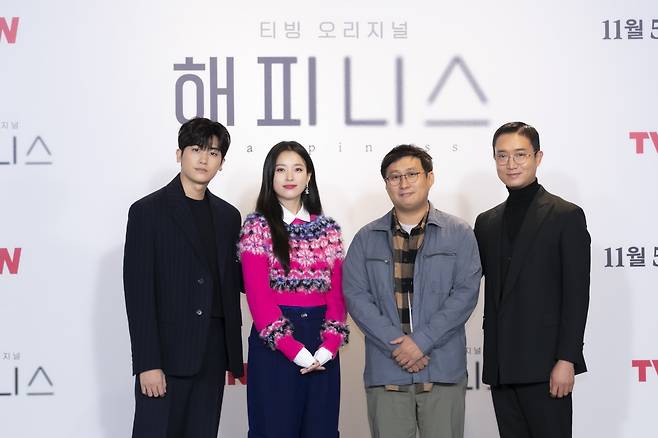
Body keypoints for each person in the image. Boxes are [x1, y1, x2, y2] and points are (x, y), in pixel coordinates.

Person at [343, 145, 481, 438]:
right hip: (387, 372)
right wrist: (399, 347)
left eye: (412, 174)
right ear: (386, 184)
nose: (403, 183)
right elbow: (356, 297)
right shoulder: (366, 239)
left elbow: (465, 294)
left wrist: (422, 342)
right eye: (394, 177)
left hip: (442, 371)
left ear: (430, 178)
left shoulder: (458, 233)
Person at [123, 117, 244, 438]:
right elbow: (138, 294)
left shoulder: (229, 216)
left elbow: (236, 280)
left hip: (212, 354)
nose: (204, 159)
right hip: (165, 358)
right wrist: (148, 363)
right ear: (179, 154)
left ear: (222, 162)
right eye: (196, 149)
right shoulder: (147, 212)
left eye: (214, 153)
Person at [474, 122, 590, 438]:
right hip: (502, 366)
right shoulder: (486, 222)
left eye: (520, 155)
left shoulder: (565, 215)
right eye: (502, 156)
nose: (511, 164)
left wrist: (567, 359)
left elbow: (577, 295)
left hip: (547, 365)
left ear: (538, 157)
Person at [238, 141, 349, 438]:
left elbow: (337, 295)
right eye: (281, 169)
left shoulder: (328, 229)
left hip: (321, 343)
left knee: (321, 430)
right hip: (274, 346)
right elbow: (259, 300)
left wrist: (328, 348)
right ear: (269, 177)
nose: (290, 176)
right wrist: (296, 351)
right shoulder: (257, 227)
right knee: (274, 430)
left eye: (298, 169)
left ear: (309, 176)